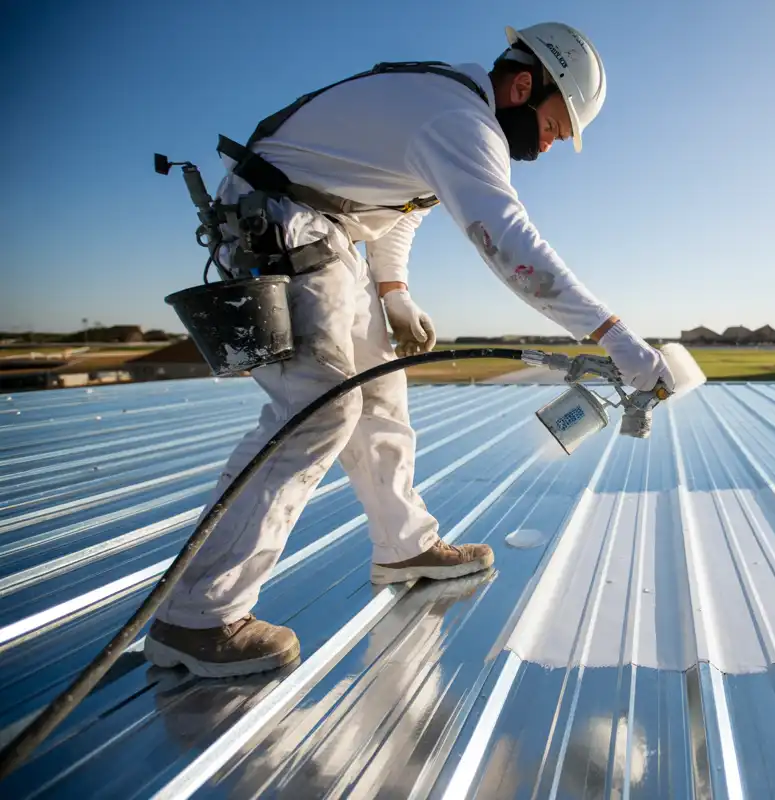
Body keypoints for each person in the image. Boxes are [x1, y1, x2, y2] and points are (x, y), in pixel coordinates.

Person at [144, 21, 673, 678]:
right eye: (552, 128)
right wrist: (613, 335)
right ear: (523, 85)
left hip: (320, 231)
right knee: (319, 410)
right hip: (275, 227)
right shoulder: (460, 121)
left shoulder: (443, 105)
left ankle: (404, 546)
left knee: (381, 391)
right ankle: (197, 616)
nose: (547, 147)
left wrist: (392, 291)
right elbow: (507, 240)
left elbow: (403, 207)